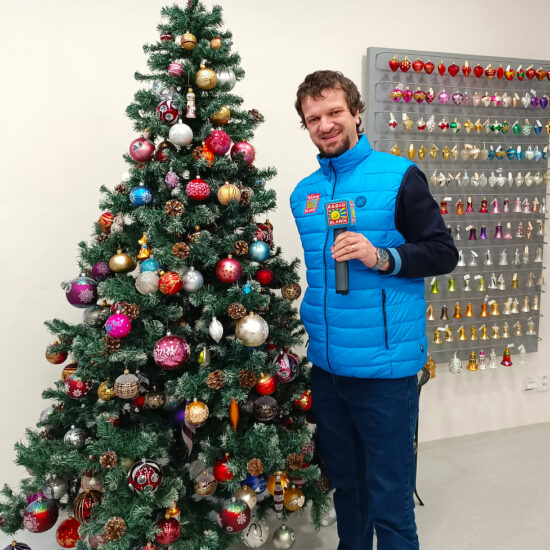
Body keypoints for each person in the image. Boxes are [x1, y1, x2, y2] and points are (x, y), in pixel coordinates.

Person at [290, 71, 458, 550]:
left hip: (384, 373)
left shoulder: (399, 176)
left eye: (334, 112)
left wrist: (382, 256)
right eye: (314, 118)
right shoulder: (303, 194)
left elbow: (443, 253)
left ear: (357, 113)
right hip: (328, 370)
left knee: (390, 500)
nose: (326, 125)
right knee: (348, 489)